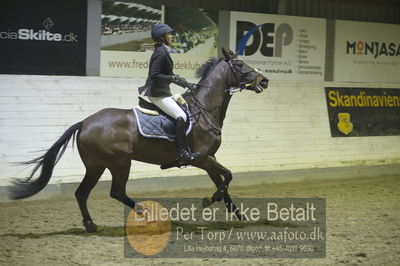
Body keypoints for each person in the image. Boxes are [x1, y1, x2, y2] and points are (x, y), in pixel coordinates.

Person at [140, 23, 199, 166]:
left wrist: (186, 84)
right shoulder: (160, 52)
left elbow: (169, 75)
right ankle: (182, 152)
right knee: (181, 116)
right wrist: (172, 78)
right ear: (162, 37)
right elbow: (154, 75)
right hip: (157, 94)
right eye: (169, 34)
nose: (171, 36)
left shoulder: (163, 50)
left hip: (163, 92)